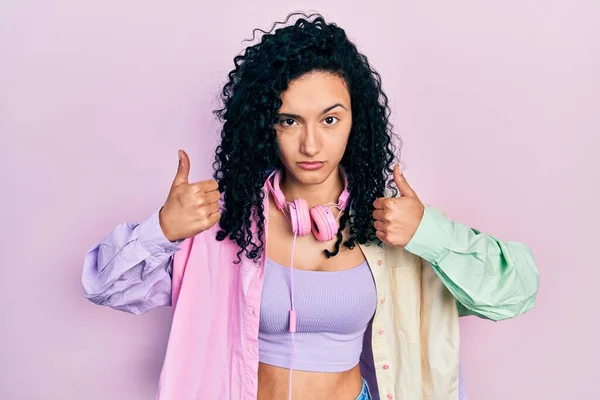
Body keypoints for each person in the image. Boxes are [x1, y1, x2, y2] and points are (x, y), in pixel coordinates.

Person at [81, 12, 540, 400]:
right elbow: (105, 287)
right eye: (289, 120)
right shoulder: (224, 224)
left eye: (330, 119)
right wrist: (162, 231)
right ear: (265, 124)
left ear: (355, 122)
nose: (311, 143)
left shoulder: (391, 226)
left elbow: (515, 293)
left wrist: (430, 233)